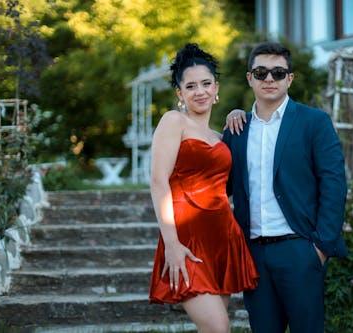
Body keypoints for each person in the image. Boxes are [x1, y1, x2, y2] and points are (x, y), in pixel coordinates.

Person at [222, 41, 348, 333]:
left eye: (278, 72)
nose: (269, 79)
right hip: (255, 254)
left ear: (290, 78)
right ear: (249, 78)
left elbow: (334, 184)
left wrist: (320, 247)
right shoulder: (237, 129)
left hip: (300, 250)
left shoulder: (314, 122)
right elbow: (223, 186)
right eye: (261, 72)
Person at [149, 43, 259, 333]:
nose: (200, 91)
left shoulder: (219, 135)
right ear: (180, 93)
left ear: (216, 87)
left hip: (222, 239)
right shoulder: (174, 122)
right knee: (219, 327)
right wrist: (171, 243)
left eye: (206, 83)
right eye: (191, 85)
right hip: (187, 240)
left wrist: (238, 112)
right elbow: (159, 181)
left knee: (213, 329)